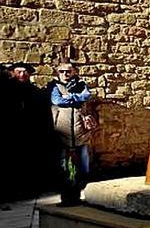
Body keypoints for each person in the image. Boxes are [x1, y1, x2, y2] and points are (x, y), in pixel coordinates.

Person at [11, 62, 54, 194]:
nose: (22, 74)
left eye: (25, 72)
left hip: (31, 133)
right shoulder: (7, 91)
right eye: (19, 71)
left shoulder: (36, 92)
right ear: (13, 73)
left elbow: (43, 114)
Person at [50, 61, 93, 182]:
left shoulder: (81, 84)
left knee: (83, 153)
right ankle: (65, 179)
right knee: (63, 155)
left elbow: (86, 96)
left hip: (80, 125)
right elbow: (57, 101)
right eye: (62, 71)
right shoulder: (55, 86)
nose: (65, 74)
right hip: (63, 126)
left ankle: (84, 178)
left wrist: (69, 97)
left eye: (68, 71)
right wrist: (76, 99)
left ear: (74, 72)